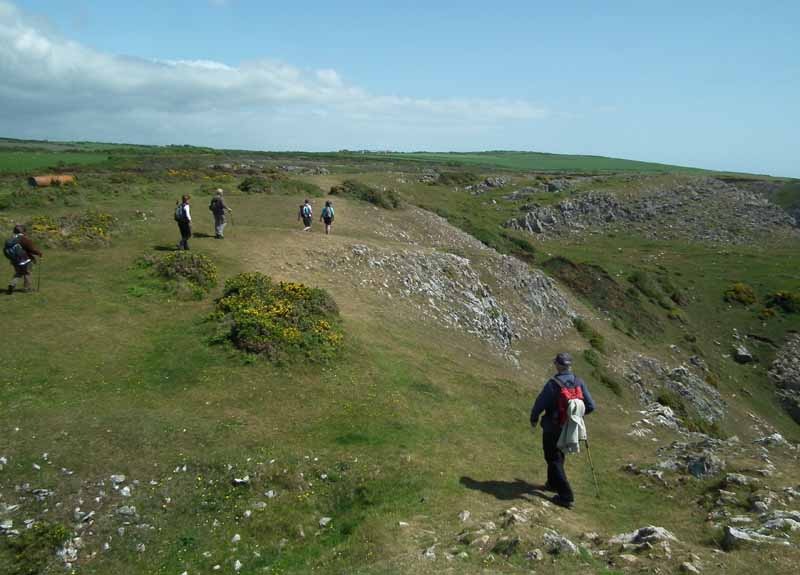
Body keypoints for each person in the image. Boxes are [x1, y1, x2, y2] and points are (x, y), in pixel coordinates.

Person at [529, 352, 595, 509]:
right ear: (569, 365)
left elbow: (540, 403)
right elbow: (591, 406)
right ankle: (552, 483)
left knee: (553, 458)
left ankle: (566, 496)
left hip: (553, 427)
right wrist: (575, 416)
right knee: (559, 455)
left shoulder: (553, 384)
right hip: (570, 427)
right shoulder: (579, 382)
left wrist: (534, 418)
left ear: (558, 365)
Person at [5, 224, 43, 294]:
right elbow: (32, 249)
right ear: (23, 231)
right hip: (25, 260)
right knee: (27, 273)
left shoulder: (12, 239)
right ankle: (27, 288)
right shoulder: (24, 239)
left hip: (14, 260)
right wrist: (39, 253)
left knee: (18, 273)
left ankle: (12, 284)